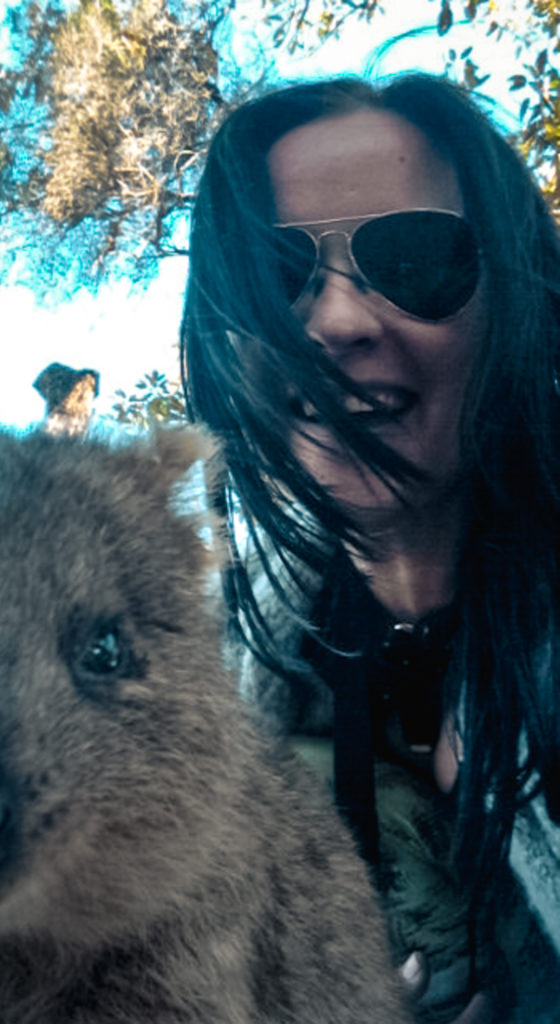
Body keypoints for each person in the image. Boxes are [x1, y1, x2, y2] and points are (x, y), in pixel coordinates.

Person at [180, 73, 560, 1023]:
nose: (338, 321)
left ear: (514, 298)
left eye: (417, 259)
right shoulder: (199, 658)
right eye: (276, 275)